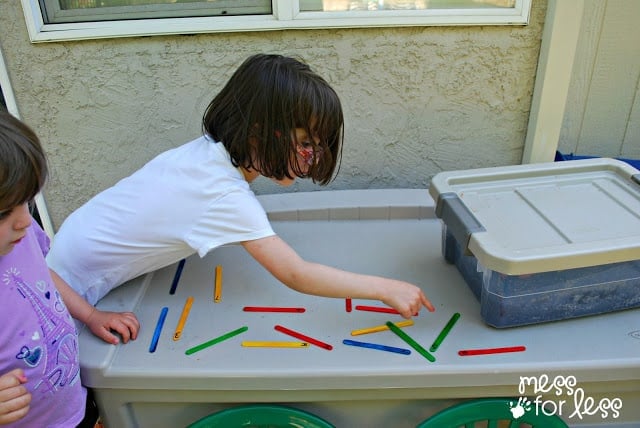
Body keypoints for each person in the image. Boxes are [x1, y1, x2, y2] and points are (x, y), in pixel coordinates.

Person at [46, 53, 435, 329]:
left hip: (61, 260)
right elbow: (296, 274)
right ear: (258, 132)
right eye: (304, 143)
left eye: (317, 145)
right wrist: (387, 288)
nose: (311, 157)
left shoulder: (206, 156)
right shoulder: (222, 195)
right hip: (61, 294)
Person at [0, 110, 137, 427]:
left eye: (28, 202)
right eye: (4, 213)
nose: (24, 220)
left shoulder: (19, 235)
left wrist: (89, 314)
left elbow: (42, 278)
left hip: (71, 405)